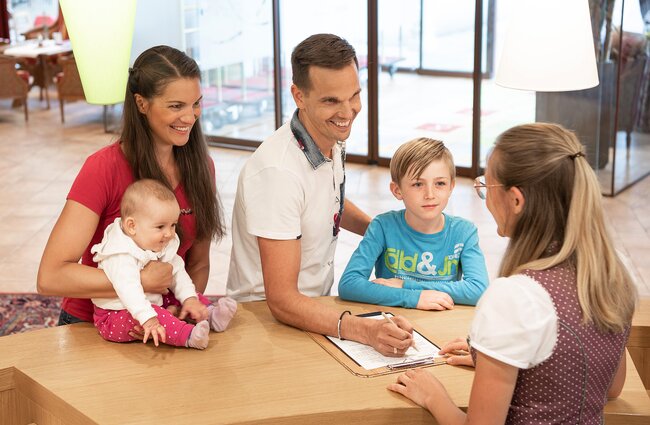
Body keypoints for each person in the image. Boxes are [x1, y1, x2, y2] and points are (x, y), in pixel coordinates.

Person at [387, 123, 637, 424]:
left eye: (487, 187)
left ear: (516, 200)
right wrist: (501, 355)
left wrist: (432, 395)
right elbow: (611, 388)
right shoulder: (613, 269)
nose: (486, 198)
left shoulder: (515, 297)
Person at [226, 33, 415, 357]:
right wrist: (362, 328)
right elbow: (282, 301)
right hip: (265, 322)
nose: (349, 111)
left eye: (354, 95)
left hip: (315, 308)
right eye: (331, 101)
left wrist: (384, 233)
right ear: (299, 96)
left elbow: (328, 203)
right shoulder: (278, 173)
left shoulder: (328, 136)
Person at [37, 45, 226, 329]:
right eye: (176, 106)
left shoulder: (203, 167)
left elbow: (198, 263)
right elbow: (50, 277)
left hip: (159, 325)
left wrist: (178, 308)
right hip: (90, 325)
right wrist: (141, 281)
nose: (190, 118)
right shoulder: (103, 168)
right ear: (141, 104)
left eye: (195, 103)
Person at [338, 137, 488, 310]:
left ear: (451, 186)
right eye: (418, 184)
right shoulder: (382, 227)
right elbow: (349, 284)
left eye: (440, 183)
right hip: (396, 322)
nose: (430, 194)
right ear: (397, 190)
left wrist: (404, 285)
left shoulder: (464, 232)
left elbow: (479, 290)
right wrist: (413, 298)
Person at [91, 180, 236, 349]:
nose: (169, 233)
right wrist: (148, 319)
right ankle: (188, 336)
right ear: (132, 226)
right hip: (116, 315)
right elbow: (128, 289)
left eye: (173, 225)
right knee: (156, 314)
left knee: (184, 292)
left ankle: (211, 314)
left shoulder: (158, 241)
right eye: (160, 226)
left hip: (149, 301)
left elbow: (177, 271)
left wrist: (190, 299)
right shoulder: (119, 253)